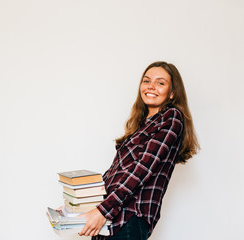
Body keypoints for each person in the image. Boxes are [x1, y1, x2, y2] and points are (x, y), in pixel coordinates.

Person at [78, 61, 200, 240]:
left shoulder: (171, 117)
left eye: (160, 83)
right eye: (146, 81)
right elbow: (114, 175)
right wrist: (76, 207)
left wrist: (102, 212)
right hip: (110, 218)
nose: (151, 87)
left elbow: (142, 171)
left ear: (172, 93)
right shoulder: (140, 125)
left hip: (129, 218)